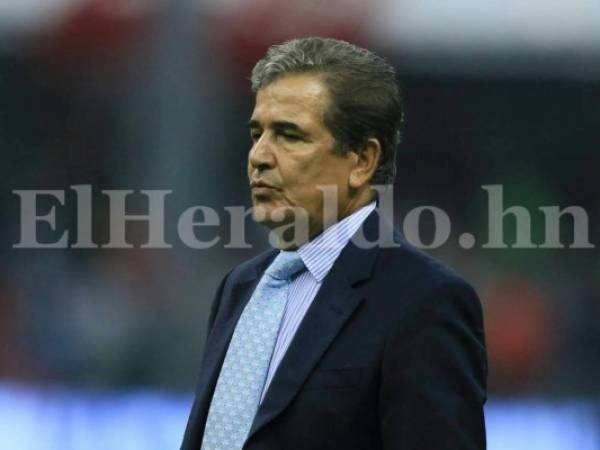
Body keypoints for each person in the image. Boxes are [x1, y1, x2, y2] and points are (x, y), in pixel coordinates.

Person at [181, 37, 487, 450]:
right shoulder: (240, 288)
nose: (259, 156)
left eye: (289, 135)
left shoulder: (424, 302)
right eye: (257, 133)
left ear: (362, 161)